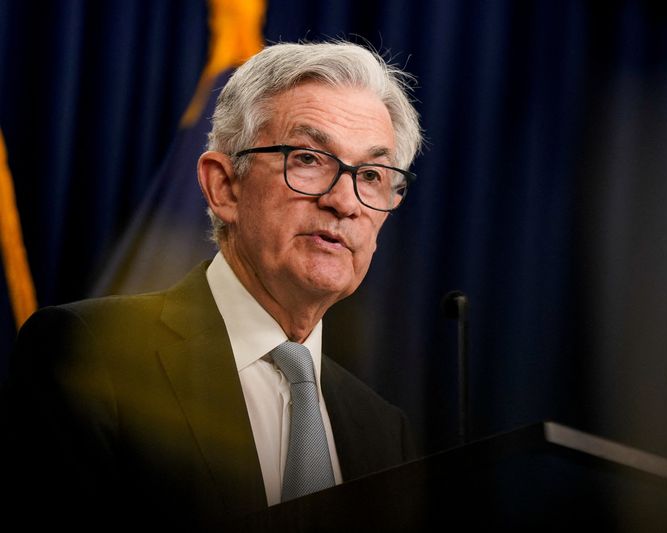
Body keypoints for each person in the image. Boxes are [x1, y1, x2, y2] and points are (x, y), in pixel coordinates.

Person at [5, 41, 422, 529]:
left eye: (371, 175)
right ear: (224, 187)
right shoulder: (87, 353)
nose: (345, 202)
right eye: (309, 159)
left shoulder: (383, 431)